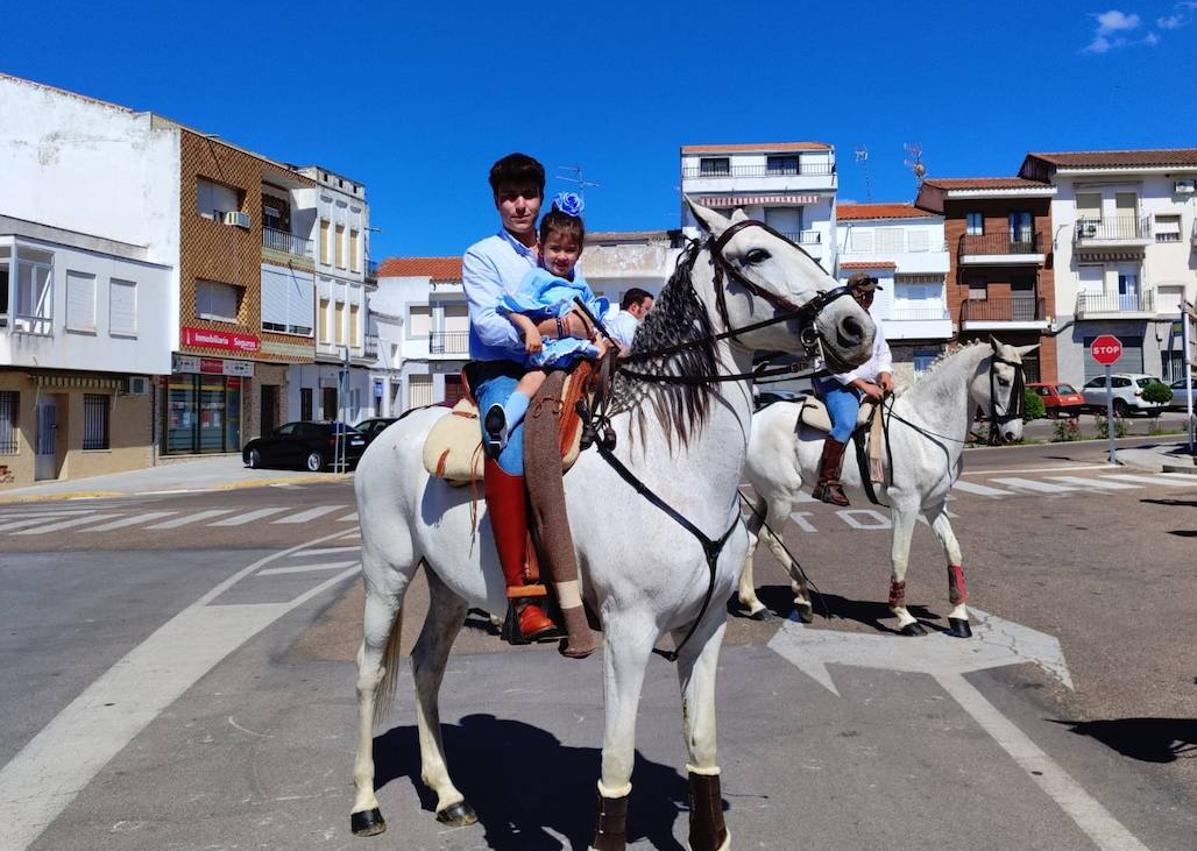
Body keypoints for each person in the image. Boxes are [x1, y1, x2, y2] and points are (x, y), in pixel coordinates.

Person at [462, 153, 566, 642]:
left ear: (540, 197)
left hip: (560, 362)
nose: (519, 205)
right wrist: (554, 327)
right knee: (512, 443)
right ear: (496, 202)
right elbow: (487, 324)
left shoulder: (558, 249)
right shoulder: (483, 255)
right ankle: (521, 597)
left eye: (527, 196)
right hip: (502, 369)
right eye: (509, 197)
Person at [483, 192, 609, 457]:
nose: (562, 256)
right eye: (555, 249)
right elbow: (510, 308)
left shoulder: (580, 283)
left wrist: (598, 341)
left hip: (579, 355)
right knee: (531, 381)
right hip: (549, 353)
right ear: (541, 249)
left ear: (579, 252)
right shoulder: (537, 278)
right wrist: (529, 328)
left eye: (570, 250)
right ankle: (504, 423)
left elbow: (592, 319)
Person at [811, 273, 893, 507]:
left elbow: (882, 353)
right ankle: (826, 483)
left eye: (872, 294)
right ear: (853, 292)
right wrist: (863, 385)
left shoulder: (874, 321)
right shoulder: (836, 320)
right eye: (864, 293)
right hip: (835, 382)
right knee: (846, 422)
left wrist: (885, 373)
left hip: (867, 384)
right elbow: (828, 361)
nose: (869, 298)